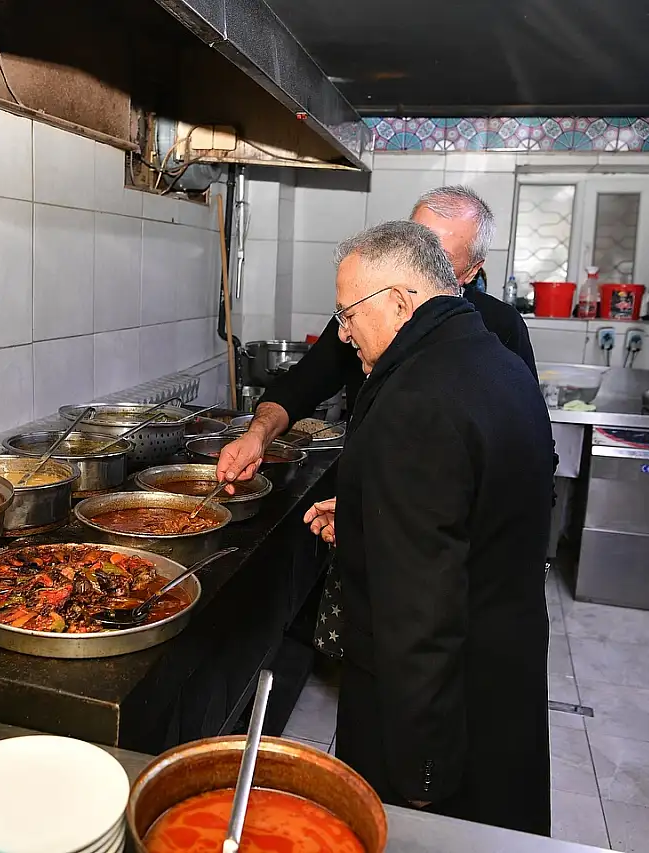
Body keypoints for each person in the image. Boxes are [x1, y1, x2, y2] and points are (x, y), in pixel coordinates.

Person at [318, 220, 553, 835]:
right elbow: (472, 509)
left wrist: (420, 769)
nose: (343, 335)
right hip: (500, 673)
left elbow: (420, 609)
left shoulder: (416, 401)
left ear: (398, 301)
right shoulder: (493, 362)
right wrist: (372, 522)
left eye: (347, 314)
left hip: (441, 705)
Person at [216, 186, 535, 486]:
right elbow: (300, 386)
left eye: (442, 260)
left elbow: (518, 453)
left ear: (472, 270)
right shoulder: (362, 316)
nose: (420, 268)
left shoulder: (500, 328)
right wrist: (256, 434)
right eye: (415, 248)